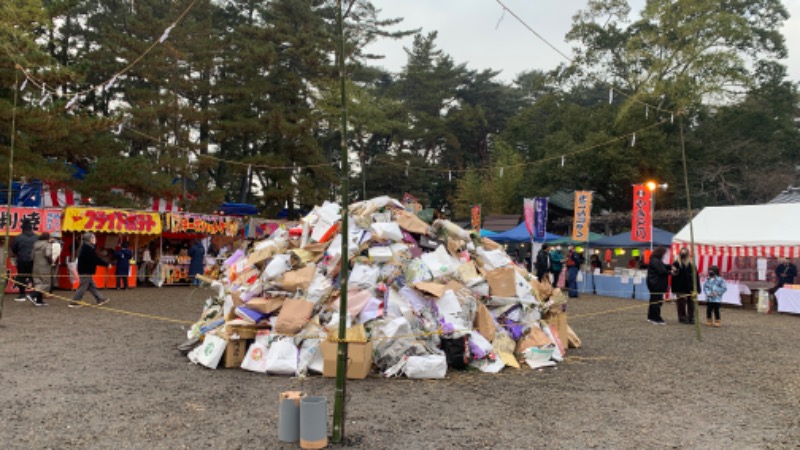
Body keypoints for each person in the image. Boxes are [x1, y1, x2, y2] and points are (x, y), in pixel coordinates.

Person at [70, 232, 111, 308]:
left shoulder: (88, 247)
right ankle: (75, 301)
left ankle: (100, 299)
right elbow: (95, 259)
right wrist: (106, 264)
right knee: (83, 286)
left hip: (86, 270)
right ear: (89, 239)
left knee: (92, 286)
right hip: (85, 270)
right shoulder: (87, 248)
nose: (94, 239)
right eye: (93, 238)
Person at [11, 219, 38, 302]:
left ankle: (22, 294)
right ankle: (34, 294)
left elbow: (14, 248)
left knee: (21, 277)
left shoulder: (18, 237)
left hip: (22, 259)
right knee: (34, 277)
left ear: (22, 228)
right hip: (34, 260)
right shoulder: (37, 237)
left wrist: (19, 254)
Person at [671, 248, 699, 324]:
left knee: (691, 302)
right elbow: (674, 276)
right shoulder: (676, 263)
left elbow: (696, 276)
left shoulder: (691, 264)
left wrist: (697, 288)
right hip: (680, 287)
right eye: (682, 253)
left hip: (690, 286)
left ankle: (691, 317)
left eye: (685, 253)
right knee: (681, 303)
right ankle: (682, 317)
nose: (683, 254)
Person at [646, 246, 672, 325]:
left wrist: (670, 266)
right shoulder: (655, 261)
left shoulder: (655, 260)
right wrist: (671, 272)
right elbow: (662, 271)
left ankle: (651, 316)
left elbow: (663, 266)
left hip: (655, 284)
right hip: (656, 284)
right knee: (657, 301)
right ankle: (656, 318)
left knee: (654, 301)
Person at [30, 232, 54, 306]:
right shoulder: (47, 244)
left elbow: (31, 256)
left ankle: (39, 300)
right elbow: (48, 254)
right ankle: (33, 295)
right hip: (44, 266)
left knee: (38, 282)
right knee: (45, 282)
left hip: (36, 266)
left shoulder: (35, 244)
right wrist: (51, 262)